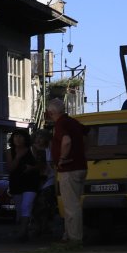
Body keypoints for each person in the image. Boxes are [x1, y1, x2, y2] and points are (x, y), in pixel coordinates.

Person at [45, 94, 88, 244]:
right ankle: (68, 234)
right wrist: (82, 152)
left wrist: (62, 159)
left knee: (71, 205)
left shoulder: (60, 124)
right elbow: (87, 133)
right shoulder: (72, 122)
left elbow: (66, 141)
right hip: (80, 166)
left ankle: (75, 238)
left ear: (51, 112)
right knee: (73, 202)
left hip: (69, 168)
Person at [6, 129, 42, 241]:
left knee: (26, 205)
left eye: (20, 136)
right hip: (16, 182)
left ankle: (22, 232)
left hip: (31, 182)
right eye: (16, 136)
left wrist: (32, 168)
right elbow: (10, 168)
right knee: (20, 208)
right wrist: (18, 157)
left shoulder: (32, 149)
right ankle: (24, 231)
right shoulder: (10, 152)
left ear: (25, 138)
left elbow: (41, 165)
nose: (18, 139)